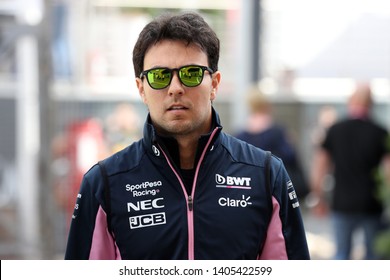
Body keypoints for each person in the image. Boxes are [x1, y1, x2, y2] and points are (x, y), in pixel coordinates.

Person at [64, 12, 310, 260]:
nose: (175, 88)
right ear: (141, 89)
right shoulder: (103, 184)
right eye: (160, 76)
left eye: (191, 73)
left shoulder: (266, 175)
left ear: (214, 84)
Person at [310, 82, 390, 259]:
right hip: (371, 203)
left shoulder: (335, 130)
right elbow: (388, 172)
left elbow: (320, 166)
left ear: (350, 101)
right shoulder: (380, 132)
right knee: (372, 256)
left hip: (342, 202)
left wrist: (318, 196)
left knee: (341, 254)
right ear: (371, 103)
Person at [235, 85, 309, 200]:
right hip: (276, 190)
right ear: (266, 106)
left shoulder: (240, 135)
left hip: (250, 191)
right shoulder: (278, 132)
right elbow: (291, 157)